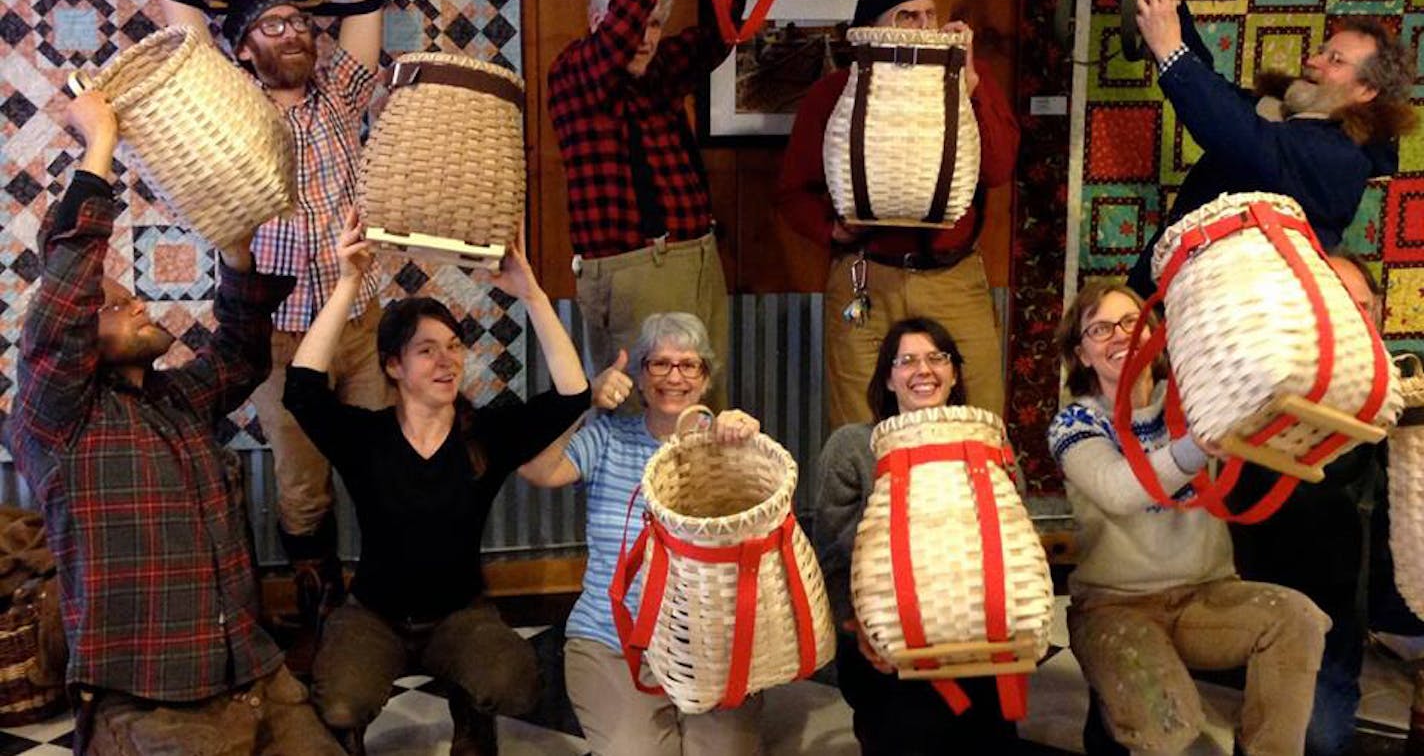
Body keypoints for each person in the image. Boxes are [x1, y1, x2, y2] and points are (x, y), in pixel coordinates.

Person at [8, 92, 342, 755]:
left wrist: (238, 251)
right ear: (79, 331)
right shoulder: (57, 419)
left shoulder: (175, 397)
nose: (137, 305)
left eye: (135, 297)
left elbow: (242, 354)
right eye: (115, 306)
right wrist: (100, 142)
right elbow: (64, 291)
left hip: (255, 675)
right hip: (152, 703)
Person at [154, 0, 391, 643]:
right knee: (302, 482)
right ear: (245, 42)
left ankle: (395, 596)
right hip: (281, 334)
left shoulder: (339, 94)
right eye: (277, 24)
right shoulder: (227, 97)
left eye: (301, 21)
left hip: (357, 321)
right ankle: (319, 603)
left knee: (384, 461)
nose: (296, 33)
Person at [280, 211, 590, 756]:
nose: (448, 361)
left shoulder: (484, 436)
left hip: (459, 616)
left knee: (512, 684)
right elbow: (302, 389)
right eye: (427, 350)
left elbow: (572, 395)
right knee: (340, 703)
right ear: (393, 367)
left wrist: (534, 295)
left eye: (454, 346)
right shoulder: (367, 438)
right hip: (373, 616)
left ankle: (472, 714)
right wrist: (349, 281)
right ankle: (352, 731)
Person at [1049, 281, 1330, 755]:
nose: (1119, 336)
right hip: (1114, 606)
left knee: (1295, 618)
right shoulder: (1075, 424)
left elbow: (1273, 402)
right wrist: (1194, 448)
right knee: (1169, 724)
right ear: (1081, 353)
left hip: (1206, 594)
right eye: (1100, 329)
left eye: (1130, 323)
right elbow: (1118, 491)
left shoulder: (1196, 401)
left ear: (1153, 335)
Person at [776, 0, 1020, 426]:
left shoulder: (968, 81)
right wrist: (833, 231)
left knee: (980, 416)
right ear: (873, 28)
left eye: (929, 14)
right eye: (907, 16)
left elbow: (999, 167)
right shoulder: (834, 94)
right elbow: (792, 192)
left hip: (952, 277)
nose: (924, 27)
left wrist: (970, 91)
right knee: (859, 422)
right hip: (867, 277)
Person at [519, 312, 764, 756]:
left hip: (710, 643)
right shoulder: (608, 438)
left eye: (689, 364)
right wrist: (582, 402)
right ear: (639, 375)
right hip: (612, 640)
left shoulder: (726, 447)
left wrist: (746, 442)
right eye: (659, 363)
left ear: (706, 379)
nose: (675, 376)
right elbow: (537, 469)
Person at [547, 0, 738, 409]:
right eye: (634, 21)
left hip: (697, 260)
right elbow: (619, 34)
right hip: (633, 272)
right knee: (642, 414)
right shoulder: (574, 72)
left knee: (704, 407)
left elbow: (722, 35)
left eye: (656, 23)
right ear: (595, 20)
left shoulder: (657, 72)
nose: (644, 37)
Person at [1128, 0, 1415, 297]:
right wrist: (1167, 2)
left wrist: (1170, 52)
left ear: (1366, 90)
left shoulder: (1342, 158)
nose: (1312, 61)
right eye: (1321, 51)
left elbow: (1241, 138)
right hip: (1176, 289)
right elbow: (1216, 92)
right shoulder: (1282, 117)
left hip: (1224, 311)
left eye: (1335, 60)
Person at [814, 316, 1020, 754]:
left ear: (954, 373)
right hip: (885, 635)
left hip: (972, 629)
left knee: (991, 731)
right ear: (888, 379)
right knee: (908, 724)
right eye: (906, 360)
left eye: (936, 358)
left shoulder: (987, 441)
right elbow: (832, 556)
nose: (923, 370)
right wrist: (858, 625)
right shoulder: (853, 447)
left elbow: (1012, 540)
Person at [1227, 252, 1393, 755]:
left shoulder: (1396, 394)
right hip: (1266, 602)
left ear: (1379, 314)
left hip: (1344, 608)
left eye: (1362, 308)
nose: (1354, 320)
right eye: (1338, 308)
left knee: (1320, 740)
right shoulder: (1264, 385)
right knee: (1284, 734)